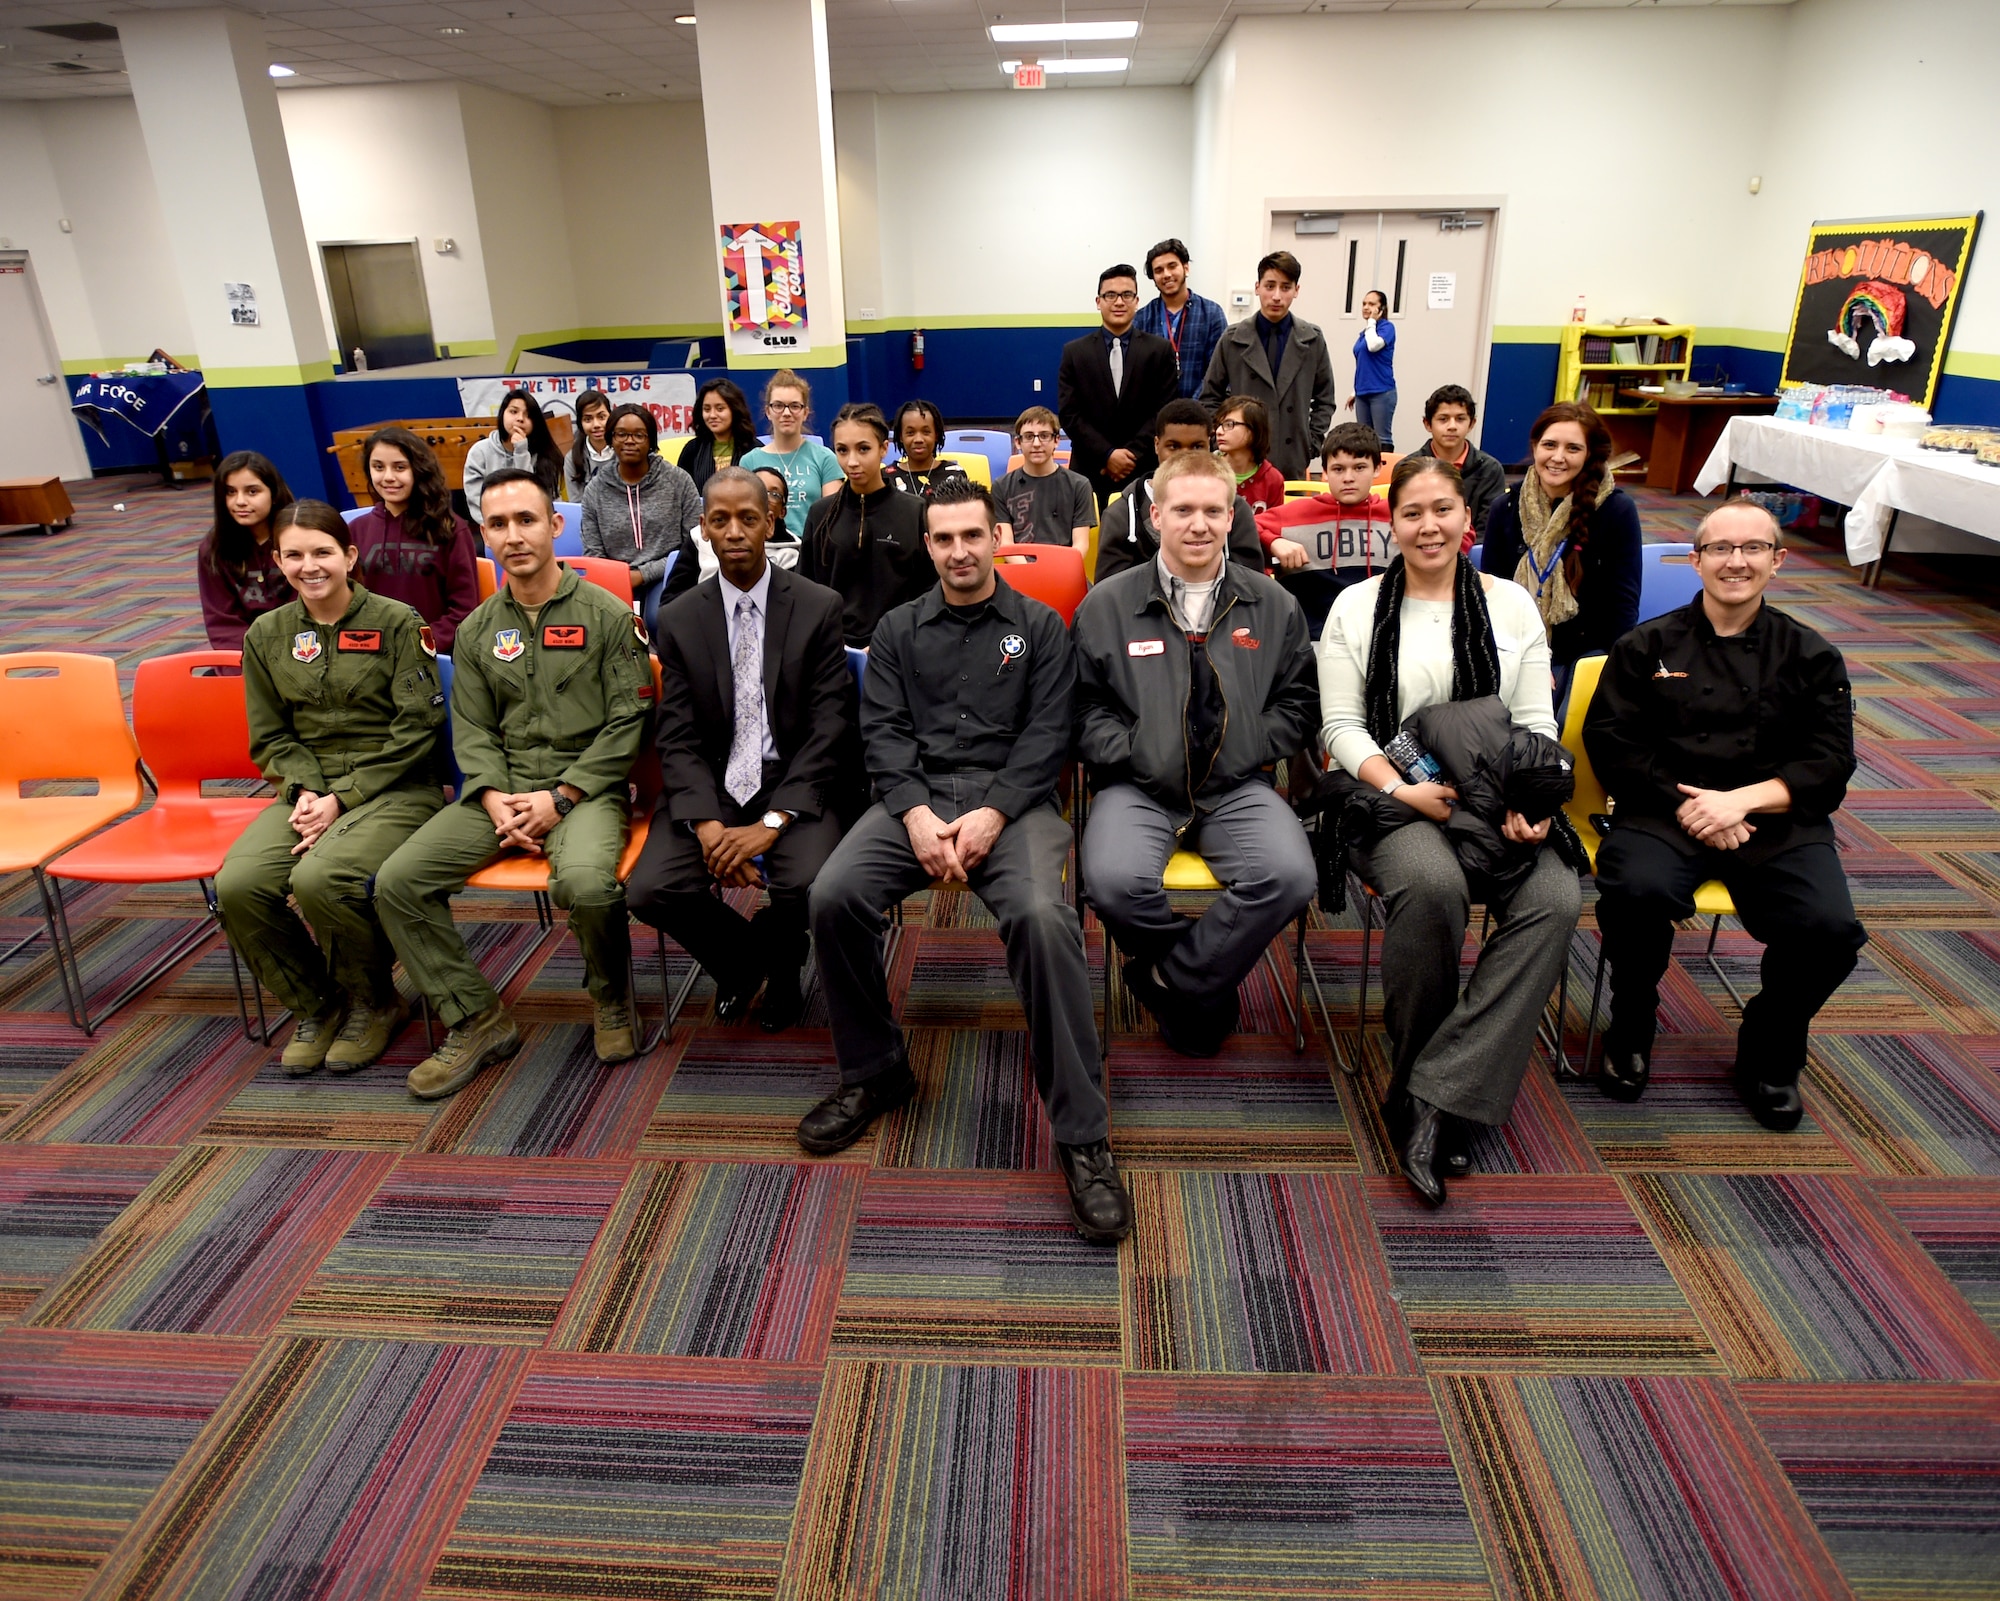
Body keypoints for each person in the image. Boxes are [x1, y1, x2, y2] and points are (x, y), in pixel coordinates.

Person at [805, 476, 1128, 1244]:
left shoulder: (1044, 628)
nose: (957, 551)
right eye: (943, 539)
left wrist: (990, 813)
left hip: (1013, 804)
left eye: (971, 536)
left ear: (996, 538)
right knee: (833, 894)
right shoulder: (895, 630)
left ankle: (1082, 1134)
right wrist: (916, 813)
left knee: (1046, 919)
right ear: (928, 544)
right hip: (914, 800)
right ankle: (876, 1069)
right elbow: (880, 733)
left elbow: (1050, 734)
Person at [1318, 457, 1583, 1206]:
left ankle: (1429, 1094)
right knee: (1433, 886)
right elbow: (1340, 726)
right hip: (1393, 799)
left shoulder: (1512, 607)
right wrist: (1403, 788)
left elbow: (1533, 725)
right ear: (1390, 520)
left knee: (1556, 897)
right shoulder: (1357, 608)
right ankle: (1433, 1086)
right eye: (1412, 512)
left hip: (1495, 797)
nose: (1428, 525)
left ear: (1467, 517)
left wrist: (1526, 802)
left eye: (1443, 509)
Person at [1584, 499, 1864, 1131]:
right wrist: (1695, 804)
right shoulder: (1646, 644)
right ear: (1696, 559)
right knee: (1634, 890)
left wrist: (1741, 801)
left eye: (1753, 549)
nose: (1735, 562)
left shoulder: (1812, 654)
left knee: (1830, 931)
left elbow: (1830, 761)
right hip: (1665, 808)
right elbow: (1613, 742)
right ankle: (1631, 1024)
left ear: (1778, 560)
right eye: (1720, 549)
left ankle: (1769, 1047)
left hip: (1774, 818)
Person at [375, 468, 656, 1098]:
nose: (514, 536)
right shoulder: (477, 631)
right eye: (498, 524)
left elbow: (629, 721)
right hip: (498, 793)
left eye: (526, 520)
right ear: (483, 535)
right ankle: (476, 1017)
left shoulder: (607, 616)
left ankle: (611, 999)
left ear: (556, 526)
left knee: (585, 884)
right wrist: (494, 795)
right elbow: (471, 728)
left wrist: (562, 798)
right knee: (398, 882)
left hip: (584, 790)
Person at [1074, 449, 1320, 1058]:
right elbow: (1080, 707)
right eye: (1183, 509)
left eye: (1214, 510)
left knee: (1289, 876)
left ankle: (1169, 979)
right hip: (1138, 785)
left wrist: (1252, 745)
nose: (1199, 524)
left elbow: (1299, 704)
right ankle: (1204, 981)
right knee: (1110, 882)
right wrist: (1133, 748)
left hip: (1237, 785)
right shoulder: (1106, 604)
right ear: (1155, 515)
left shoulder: (1273, 604)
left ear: (1233, 514)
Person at [215, 500, 446, 1076]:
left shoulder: (397, 622)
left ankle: (374, 1002)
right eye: (293, 555)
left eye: (322, 552)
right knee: (238, 885)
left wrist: (343, 796)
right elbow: (269, 736)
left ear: (348, 555)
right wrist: (311, 793)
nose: (308, 566)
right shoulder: (266, 634)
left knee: (321, 878)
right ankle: (318, 1005)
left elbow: (418, 729)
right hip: (308, 793)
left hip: (394, 786)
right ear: (278, 561)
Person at [627, 467, 858, 1034]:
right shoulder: (679, 618)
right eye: (721, 520)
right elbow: (676, 734)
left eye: (748, 518)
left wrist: (774, 822)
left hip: (793, 783)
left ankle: (783, 970)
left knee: (808, 881)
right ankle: (745, 959)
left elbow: (830, 728)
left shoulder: (818, 606)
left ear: (771, 522)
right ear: (703, 528)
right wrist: (706, 826)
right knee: (651, 889)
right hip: (714, 784)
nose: (735, 531)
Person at [1481, 402, 1642, 679]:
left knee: (1567, 716)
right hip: (1515, 647)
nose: (1558, 457)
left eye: (1573, 448)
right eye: (1550, 445)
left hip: (1585, 652)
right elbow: (1492, 598)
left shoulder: (1615, 511)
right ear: (1535, 447)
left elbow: (1622, 608)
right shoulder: (1506, 508)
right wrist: (1529, 659)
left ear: (1590, 454)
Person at [1200, 250, 1337, 482]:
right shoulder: (1233, 338)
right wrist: (1222, 439)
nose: (1276, 296)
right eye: (1269, 286)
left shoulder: (1311, 339)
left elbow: (1325, 398)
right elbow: (1210, 396)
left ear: (1296, 290)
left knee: (1290, 516)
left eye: (1285, 287)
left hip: (1291, 454)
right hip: (1240, 456)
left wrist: (1311, 442)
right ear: (1257, 287)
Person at [802, 402, 931, 648]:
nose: (852, 461)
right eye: (842, 450)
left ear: (884, 448)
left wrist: (896, 638)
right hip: (834, 650)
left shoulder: (916, 512)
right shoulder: (820, 514)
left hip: (898, 646)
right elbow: (808, 589)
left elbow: (929, 589)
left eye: (863, 449)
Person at [1093, 400, 1267, 583]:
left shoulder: (1236, 509)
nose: (1186, 456)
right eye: (1174, 447)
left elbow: (1252, 587)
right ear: (1156, 445)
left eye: (1197, 447)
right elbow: (1110, 595)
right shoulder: (1120, 515)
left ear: (1209, 445)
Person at [1253, 422, 1394, 638]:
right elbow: (1239, 525)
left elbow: (1458, 533)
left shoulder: (1397, 515)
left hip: (1382, 639)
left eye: (1359, 467)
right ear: (1325, 473)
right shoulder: (1296, 513)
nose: (1348, 477)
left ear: (1377, 469)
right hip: (1312, 640)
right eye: (1338, 469)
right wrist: (1273, 541)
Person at [1058, 264, 1179, 507]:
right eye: (1110, 295)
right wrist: (1107, 455)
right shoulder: (1075, 352)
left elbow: (1164, 410)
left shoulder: (1159, 350)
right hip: (1090, 470)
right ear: (1098, 301)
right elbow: (1070, 414)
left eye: (1126, 295)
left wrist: (1130, 455)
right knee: (1091, 539)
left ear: (1136, 301)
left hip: (1143, 468)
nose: (1119, 302)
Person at [352, 426, 481, 654]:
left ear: (418, 470)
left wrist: (419, 643)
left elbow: (464, 610)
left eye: (400, 467)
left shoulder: (451, 528)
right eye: (378, 467)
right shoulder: (355, 530)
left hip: (430, 654)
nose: (388, 477)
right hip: (369, 654)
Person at [579, 402, 701, 634]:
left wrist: (642, 575)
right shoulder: (595, 489)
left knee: (659, 619)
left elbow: (693, 544)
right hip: (614, 577)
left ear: (650, 440)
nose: (629, 441)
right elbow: (593, 551)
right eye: (621, 434)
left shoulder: (678, 480)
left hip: (668, 573)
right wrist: (619, 577)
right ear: (611, 438)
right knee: (608, 626)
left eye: (638, 435)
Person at [198, 451, 295, 649]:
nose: (240, 501)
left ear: (273, 493)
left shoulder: (299, 538)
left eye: (252, 492)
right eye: (230, 492)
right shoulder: (213, 548)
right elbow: (222, 623)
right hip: (247, 655)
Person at [743, 371, 842, 539]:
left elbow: (833, 516)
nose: (787, 413)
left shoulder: (825, 458)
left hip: (812, 548)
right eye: (779, 405)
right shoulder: (749, 461)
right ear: (768, 411)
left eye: (795, 406)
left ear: (805, 413)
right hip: (764, 550)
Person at [1134, 238, 1228, 402]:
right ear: (1153, 277)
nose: (1167, 274)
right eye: (1159, 270)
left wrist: (1191, 409)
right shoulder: (1142, 319)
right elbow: (1138, 375)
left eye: (1172, 266)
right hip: (1154, 418)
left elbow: (1218, 372)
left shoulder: (1212, 314)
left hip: (1201, 414)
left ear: (1186, 268)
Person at [993, 406, 1096, 553]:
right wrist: (1033, 573)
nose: (1036, 444)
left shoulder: (1079, 485)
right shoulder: (1001, 487)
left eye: (1044, 435)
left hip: (1065, 569)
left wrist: (1055, 573)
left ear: (1056, 440)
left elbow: (1080, 545)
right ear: (1017, 442)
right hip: (1021, 571)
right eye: (1029, 436)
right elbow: (1006, 545)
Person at [1411, 385, 1505, 536]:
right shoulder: (1409, 469)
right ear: (1428, 424)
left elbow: (1488, 530)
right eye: (1443, 419)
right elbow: (1406, 522)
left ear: (1471, 424)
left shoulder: (1491, 470)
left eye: (1460, 419)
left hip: (1470, 554)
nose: (1452, 426)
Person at [464, 390, 564, 520]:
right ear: (502, 414)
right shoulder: (480, 451)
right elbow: (476, 501)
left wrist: (521, 452)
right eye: (513, 411)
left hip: (534, 526)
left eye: (528, 415)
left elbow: (533, 498)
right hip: (493, 526)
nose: (520, 418)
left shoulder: (545, 454)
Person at [675, 377, 761, 493]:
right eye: (706, 409)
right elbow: (681, 493)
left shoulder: (754, 450)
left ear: (734, 410)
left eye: (720, 409)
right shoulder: (692, 450)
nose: (712, 415)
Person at [1213, 395, 1286, 516]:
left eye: (1229, 424)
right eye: (1219, 425)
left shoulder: (1273, 479)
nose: (1219, 431)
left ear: (1253, 430)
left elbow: (1274, 524)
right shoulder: (1207, 470)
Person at [884, 399, 968, 499]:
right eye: (910, 433)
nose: (918, 439)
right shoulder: (885, 478)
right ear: (901, 436)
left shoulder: (955, 474)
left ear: (936, 435)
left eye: (926, 432)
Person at [1346, 289, 1398, 451]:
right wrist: (1355, 392)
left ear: (1381, 308)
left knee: (1382, 439)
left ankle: (1384, 475)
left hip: (1382, 391)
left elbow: (1374, 346)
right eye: (1364, 304)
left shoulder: (1386, 327)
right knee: (1364, 439)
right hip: (1363, 393)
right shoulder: (1365, 333)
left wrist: (1372, 322)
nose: (1366, 307)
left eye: (1371, 304)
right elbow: (1364, 364)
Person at [565, 389, 615, 494]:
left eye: (601, 417)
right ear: (580, 423)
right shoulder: (572, 458)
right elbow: (576, 502)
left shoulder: (624, 451)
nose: (596, 425)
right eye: (588, 419)